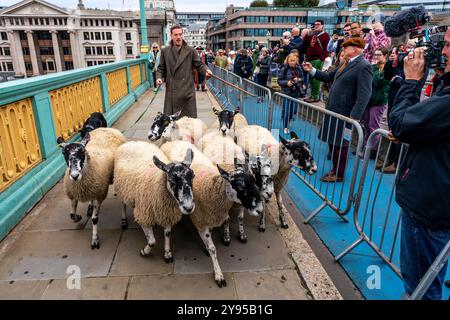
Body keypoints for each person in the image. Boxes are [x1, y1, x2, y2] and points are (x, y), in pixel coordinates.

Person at [388, 27, 450, 299]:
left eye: (448, 45)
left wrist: (412, 82)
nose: (442, 52)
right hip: (435, 202)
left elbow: (402, 124)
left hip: (428, 208)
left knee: (421, 288)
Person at [302, 37, 372, 183]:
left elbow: (364, 95)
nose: (343, 50)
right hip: (334, 111)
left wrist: (354, 117)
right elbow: (328, 77)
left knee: (342, 145)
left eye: (346, 47)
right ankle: (335, 169)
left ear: (354, 49)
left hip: (346, 115)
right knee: (333, 142)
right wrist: (312, 70)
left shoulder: (364, 66)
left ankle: (338, 173)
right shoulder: (345, 63)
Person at [156, 25, 212, 118]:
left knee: (189, 124)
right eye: (176, 35)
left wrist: (206, 70)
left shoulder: (191, 51)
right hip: (172, 93)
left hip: (187, 92)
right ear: (171, 36)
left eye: (180, 34)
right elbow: (161, 68)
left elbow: (199, 65)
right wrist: (158, 77)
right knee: (172, 124)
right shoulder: (165, 51)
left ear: (183, 35)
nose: (178, 37)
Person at [363, 47, 391, 158]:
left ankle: (372, 150)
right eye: (375, 55)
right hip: (369, 100)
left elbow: (378, 81)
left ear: (385, 56)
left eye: (379, 55)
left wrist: (374, 72)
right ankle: (366, 146)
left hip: (379, 101)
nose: (376, 57)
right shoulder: (373, 67)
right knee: (366, 124)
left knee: (373, 125)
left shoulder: (387, 69)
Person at [302, 20, 330, 103]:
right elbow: (305, 44)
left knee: (316, 78)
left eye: (318, 24)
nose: (316, 26)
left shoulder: (325, 35)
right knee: (310, 78)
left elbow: (326, 49)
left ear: (322, 26)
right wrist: (307, 34)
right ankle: (312, 95)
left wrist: (321, 58)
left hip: (318, 59)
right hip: (310, 59)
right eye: (315, 24)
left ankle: (316, 96)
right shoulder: (312, 35)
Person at [278, 53, 305, 134]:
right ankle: (286, 126)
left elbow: (303, 78)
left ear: (296, 61)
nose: (292, 62)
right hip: (286, 93)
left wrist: (300, 81)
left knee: (294, 110)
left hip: (295, 93)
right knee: (286, 110)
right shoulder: (284, 69)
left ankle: (288, 119)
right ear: (288, 60)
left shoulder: (299, 69)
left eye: (293, 61)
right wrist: (287, 83)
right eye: (290, 61)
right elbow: (279, 80)